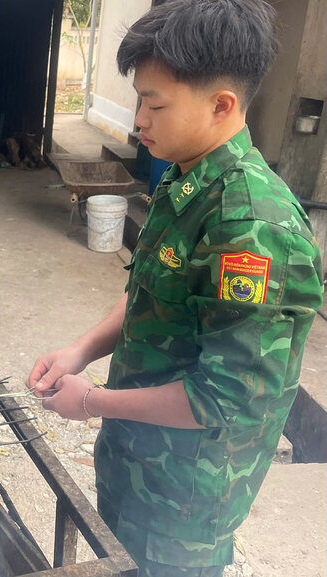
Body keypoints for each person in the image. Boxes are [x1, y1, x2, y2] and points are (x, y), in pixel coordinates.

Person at [28, 1, 323, 576]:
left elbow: (224, 399)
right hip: (137, 456)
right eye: (139, 98)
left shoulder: (250, 227)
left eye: (154, 103)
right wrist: (80, 351)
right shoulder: (186, 176)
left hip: (185, 493)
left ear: (221, 105)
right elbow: (146, 292)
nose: (139, 119)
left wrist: (91, 402)